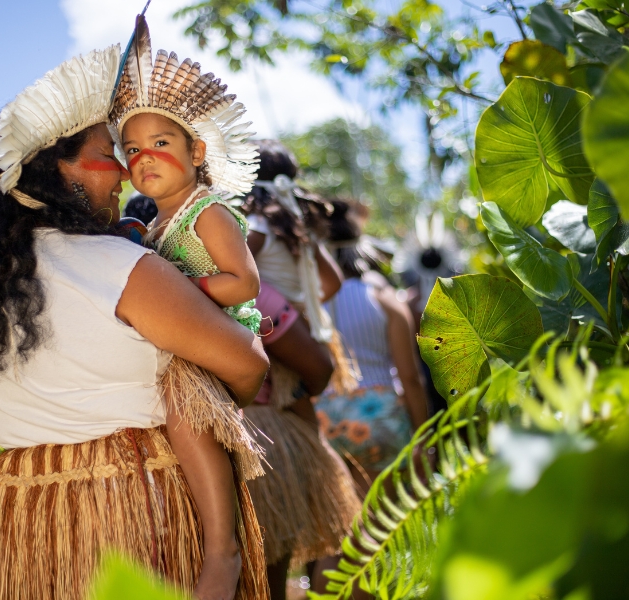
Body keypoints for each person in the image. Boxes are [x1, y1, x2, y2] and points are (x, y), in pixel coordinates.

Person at [0, 43, 269, 600]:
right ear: (63, 168)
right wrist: (215, 396)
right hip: (136, 507)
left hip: (27, 520)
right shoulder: (118, 265)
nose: (127, 175)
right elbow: (248, 361)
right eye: (113, 153)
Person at [112, 18, 267, 600]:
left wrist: (186, 292)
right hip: (186, 335)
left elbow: (244, 282)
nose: (144, 158)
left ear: (196, 151)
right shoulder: (151, 223)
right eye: (132, 150)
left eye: (160, 144)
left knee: (181, 409)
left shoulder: (209, 212)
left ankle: (221, 547)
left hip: (213, 339)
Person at [241, 140, 362, 599]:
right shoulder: (297, 229)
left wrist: (272, 303)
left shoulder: (255, 227)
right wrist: (300, 303)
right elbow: (331, 281)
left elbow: (233, 266)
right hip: (299, 341)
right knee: (306, 442)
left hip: (272, 340)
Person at [316, 200, 430, 491]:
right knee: (390, 519)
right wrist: (424, 437)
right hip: (381, 414)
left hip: (326, 419)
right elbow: (410, 377)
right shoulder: (384, 298)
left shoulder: (310, 301)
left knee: (351, 525)